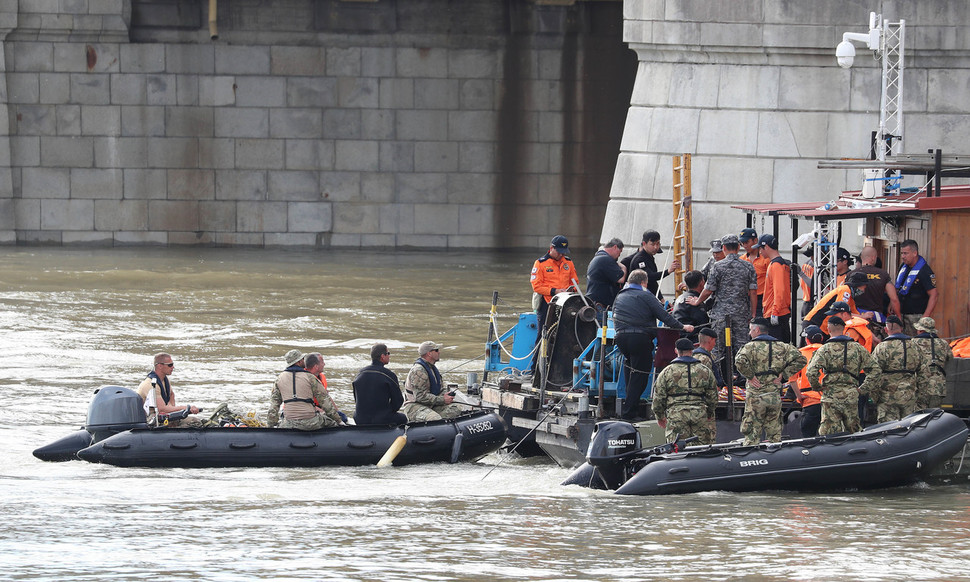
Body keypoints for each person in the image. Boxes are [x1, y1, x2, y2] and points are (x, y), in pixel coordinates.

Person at [612, 269, 695, 421]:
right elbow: (664, 316)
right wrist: (683, 327)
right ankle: (629, 414)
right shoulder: (646, 295)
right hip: (639, 338)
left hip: (621, 338)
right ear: (644, 282)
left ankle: (628, 409)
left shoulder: (620, 296)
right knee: (640, 376)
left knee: (630, 373)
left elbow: (614, 314)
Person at [686, 234, 757, 383]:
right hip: (741, 313)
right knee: (742, 349)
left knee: (716, 349)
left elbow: (708, 289)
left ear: (723, 248)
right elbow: (753, 292)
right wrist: (753, 313)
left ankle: (716, 382)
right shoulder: (748, 266)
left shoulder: (717, 266)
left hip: (720, 315)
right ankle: (744, 382)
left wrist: (697, 301)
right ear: (738, 247)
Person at [734, 318, 806, 445]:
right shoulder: (783, 347)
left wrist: (750, 376)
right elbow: (801, 359)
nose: (750, 333)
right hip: (773, 395)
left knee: (752, 434)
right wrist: (783, 375)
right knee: (774, 434)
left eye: (751, 330)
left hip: (755, 396)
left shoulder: (749, 347)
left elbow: (739, 361)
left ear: (756, 330)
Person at [806, 317, 873, 435]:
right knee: (853, 431)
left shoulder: (824, 349)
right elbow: (875, 370)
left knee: (829, 433)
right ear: (844, 329)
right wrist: (863, 389)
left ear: (828, 329)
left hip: (830, 395)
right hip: (851, 395)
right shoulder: (858, 348)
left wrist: (818, 388)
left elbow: (811, 372)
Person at [859, 316, 931, 423]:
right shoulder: (915, 347)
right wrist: (921, 398)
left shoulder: (881, 348)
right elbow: (924, 373)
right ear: (901, 328)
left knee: (888, 429)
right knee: (909, 428)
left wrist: (874, 397)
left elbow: (873, 373)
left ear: (886, 330)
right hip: (909, 397)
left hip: (887, 399)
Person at [651, 337, 718, 445]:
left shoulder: (666, 372)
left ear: (676, 351)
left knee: (677, 449)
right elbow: (713, 396)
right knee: (701, 449)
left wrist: (660, 417)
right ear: (692, 351)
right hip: (699, 414)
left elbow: (658, 398)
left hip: (676, 415)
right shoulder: (705, 371)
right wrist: (709, 413)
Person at [530, 235, 577, 375]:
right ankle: (535, 369)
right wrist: (555, 291)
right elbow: (536, 286)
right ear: (551, 248)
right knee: (542, 336)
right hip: (547, 304)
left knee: (565, 336)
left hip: (565, 304)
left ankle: (560, 369)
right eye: (559, 251)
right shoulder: (540, 263)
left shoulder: (568, 263)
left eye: (564, 252)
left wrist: (570, 290)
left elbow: (575, 281)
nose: (562, 254)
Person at [268, 349, 344, 430]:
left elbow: (274, 405)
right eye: (302, 359)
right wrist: (339, 421)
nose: (304, 361)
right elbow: (325, 402)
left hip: (288, 423)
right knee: (332, 423)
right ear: (299, 362)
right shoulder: (310, 377)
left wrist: (270, 425)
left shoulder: (279, 379)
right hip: (311, 422)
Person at [136, 352, 202, 428]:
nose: (173, 367)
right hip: (150, 418)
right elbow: (162, 409)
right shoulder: (150, 384)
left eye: (173, 364)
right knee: (187, 425)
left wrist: (174, 413)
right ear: (160, 366)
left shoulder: (164, 380)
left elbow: (171, 396)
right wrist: (186, 408)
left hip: (163, 415)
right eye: (170, 365)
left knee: (195, 421)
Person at [403, 341, 463, 422]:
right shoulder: (418, 371)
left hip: (430, 404)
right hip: (414, 406)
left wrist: (446, 396)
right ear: (429, 353)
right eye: (437, 350)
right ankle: (435, 424)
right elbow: (420, 397)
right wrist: (442, 400)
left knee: (456, 408)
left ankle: (441, 424)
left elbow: (439, 389)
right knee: (434, 418)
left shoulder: (432, 368)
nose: (439, 352)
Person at [352, 343, 408, 425]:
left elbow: (357, 399)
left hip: (359, 419)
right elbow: (398, 401)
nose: (389, 356)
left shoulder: (360, 374)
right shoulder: (389, 375)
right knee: (403, 418)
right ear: (382, 356)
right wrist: (387, 412)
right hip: (382, 420)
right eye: (388, 353)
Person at [620, 229, 679, 301]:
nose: (656, 247)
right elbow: (650, 276)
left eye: (658, 244)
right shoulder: (639, 259)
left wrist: (662, 300)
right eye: (652, 244)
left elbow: (653, 283)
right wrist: (668, 271)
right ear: (644, 244)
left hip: (646, 297)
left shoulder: (649, 257)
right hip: (637, 298)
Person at [895, 239, 939, 336]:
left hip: (916, 316)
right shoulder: (903, 267)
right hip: (901, 315)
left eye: (905, 253)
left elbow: (934, 295)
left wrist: (924, 318)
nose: (902, 256)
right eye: (902, 253)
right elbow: (898, 288)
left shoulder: (925, 271)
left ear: (915, 253)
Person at [802, 271, 870, 332]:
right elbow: (840, 312)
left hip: (823, 327)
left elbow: (854, 316)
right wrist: (863, 317)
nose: (864, 290)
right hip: (815, 324)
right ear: (858, 285)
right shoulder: (845, 290)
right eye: (864, 287)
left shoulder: (850, 296)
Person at [790, 325, 825, 437]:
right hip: (831, 400)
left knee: (808, 436)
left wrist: (799, 396)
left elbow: (792, 380)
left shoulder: (800, 354)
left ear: (807, 339)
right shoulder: (830, 352)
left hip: (810, 401)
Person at [912, 317, 953, 410]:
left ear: (920, 330)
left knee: (918, 416)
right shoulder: (943, 343)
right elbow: (950, 357)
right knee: (934, 415)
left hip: (920, 386)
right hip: (938, 386)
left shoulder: (913, 343)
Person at [854, 245, 901, 325]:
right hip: (876, 318)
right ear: (873, 257)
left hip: (857, 318)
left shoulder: (851, 275)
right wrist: (899, 317)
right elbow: (894, 299)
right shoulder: (883, 274)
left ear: (861, 257)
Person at [757, 234, 792, 342]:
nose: (760, 252)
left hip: (776, 313)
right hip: (777, 311)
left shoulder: (776, 265)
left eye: (760, 249)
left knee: (776, 348)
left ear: (766, 247)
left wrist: (775, 312)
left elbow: (779, 290)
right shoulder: (778, 264)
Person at [585, 237, 627, 318]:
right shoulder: (606, 259)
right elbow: (621, 279)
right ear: (615, 247)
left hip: (594, 304)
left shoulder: (598, 257)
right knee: (604, 329)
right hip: (601, 307)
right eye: (620, 251)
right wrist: (624, 268)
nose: (619, 255)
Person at [305, 352, 348, 423]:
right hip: (309, 410)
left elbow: (327, 397)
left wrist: (337, 411)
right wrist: (321, 411)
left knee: (343, 417)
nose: (324, 364)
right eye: (322, 362)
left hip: (321, 407)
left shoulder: (321, 377)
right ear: (316, 366)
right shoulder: (304, 379)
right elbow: (301, 403)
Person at [671, 269, 709, 340]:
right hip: (691, 338)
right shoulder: (694, 300)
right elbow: (704, 324)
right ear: (701, 283)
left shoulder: (679, 298)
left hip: (676, 336)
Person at [739, 228, 769, 316]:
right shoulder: (742, 259)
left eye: (747, 242)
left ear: (755, 240)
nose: (744, 246)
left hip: (762, 299)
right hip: (745, 300)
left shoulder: (765, 259)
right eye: (742, 243)